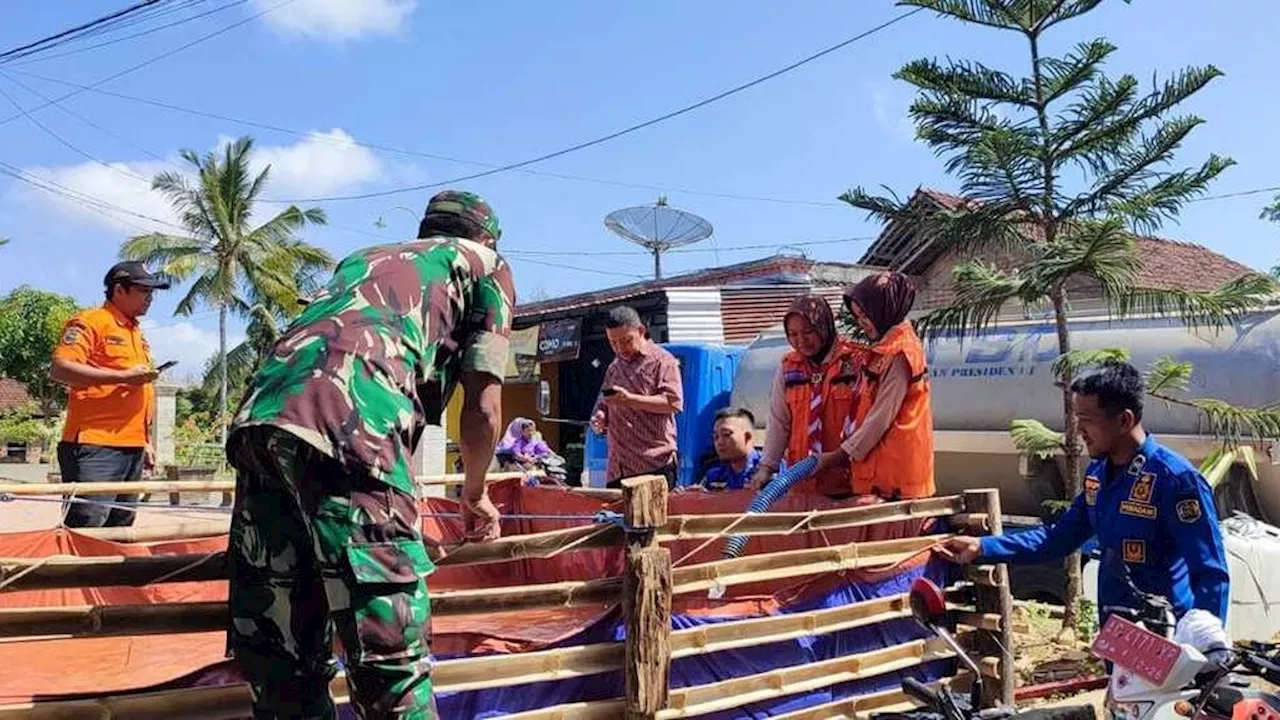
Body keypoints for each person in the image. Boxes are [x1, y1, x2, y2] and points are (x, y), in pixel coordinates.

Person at [223, 189, 515, 719]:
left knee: (280, 652)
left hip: (261, 419)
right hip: (352, 423)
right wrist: (475, 494)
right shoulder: (485, 265)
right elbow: (485, 406)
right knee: (389, 656)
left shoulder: (362, 259)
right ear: (486, 236)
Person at [940, 361, 1230, 628]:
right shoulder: (1098, 476)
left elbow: (1210, 572)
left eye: (1087, 420)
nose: (1079, 430)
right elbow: (1057, 538)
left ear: (1124, 420)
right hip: (1118, 634)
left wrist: (1204, 643)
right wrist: (983, 547)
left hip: (1168, 637)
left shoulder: (1176, 480)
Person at [50, 261, 171, 528]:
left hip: (133, 446)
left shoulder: (135, 332)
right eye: (143, 291)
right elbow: (60, 369)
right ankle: (75, 571)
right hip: (96, 444)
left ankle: (111, 572)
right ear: (119, 290)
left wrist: (146, 441)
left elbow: (139, 392)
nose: (150, 298)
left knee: (121, 522)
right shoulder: (92, 322)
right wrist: (123, 377)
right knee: (89, 521)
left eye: (152, 292)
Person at [753, 294, 867, 498]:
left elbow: (867, 423)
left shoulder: (855, 362)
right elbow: (779, 422)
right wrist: (767, 468)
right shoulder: (788, 368)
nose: (801, 341)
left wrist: (838, 457)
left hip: (850, 484)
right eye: (793, 334)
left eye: (808, 332)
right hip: (802, 483)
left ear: (824, 327)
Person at [842, 272, 936, 500]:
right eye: (858, 317)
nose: (861, 323)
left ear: (883, 310)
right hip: (883, 479)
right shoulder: (882, 350)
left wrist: (843, 454)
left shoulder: (901, 353)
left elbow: (881, 416)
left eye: (865, 315)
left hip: (899, 484)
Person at [589, 305, 684, 489]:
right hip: (618, 468)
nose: (620, 348)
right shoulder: (614, 367)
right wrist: (601, 417)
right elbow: (605, 403)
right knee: (613, 518)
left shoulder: (662, 361)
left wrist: (630, 399)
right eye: (613, 343)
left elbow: (673, 402)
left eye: (626, 341)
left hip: (654, 466)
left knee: (651, 519)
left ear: (641, 331)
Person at [696, 407, 762, 492]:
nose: (719, 442)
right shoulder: (714, 476)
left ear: (747, 437)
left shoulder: (770, 470)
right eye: (716, 436)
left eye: (726, 434)